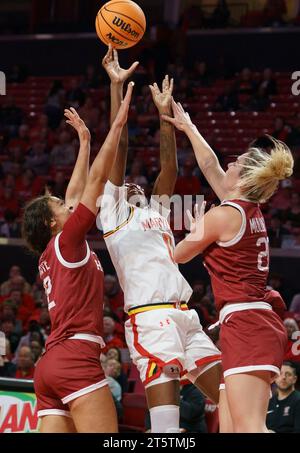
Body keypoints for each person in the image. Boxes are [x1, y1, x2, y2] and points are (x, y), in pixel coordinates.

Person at [100, 45, 221, 433]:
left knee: (229, 391)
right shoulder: (114, 212)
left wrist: (165, 114)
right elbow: (119, 149)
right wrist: (118, 89)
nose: (133, 181)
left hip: (186, 316)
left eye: (139, 180)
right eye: (127, 181)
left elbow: (169, 166)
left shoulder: (155, 211)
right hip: (150, 318)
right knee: (166, 429)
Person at [162, 101, 294, 433]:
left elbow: (176, 256)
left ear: (243, 177)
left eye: (235, 163)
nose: (228, 164)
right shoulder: (242, 207)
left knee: (250, 428)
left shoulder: (223, 215)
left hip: (250, 325)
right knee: (231, 429)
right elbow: (210, 167)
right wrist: (188, 127)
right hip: (245, 324)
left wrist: (192, 232)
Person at [21, 81, 134, 433]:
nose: (66, 204)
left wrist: (84, 143)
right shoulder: (68, 241)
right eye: (58, 205)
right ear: (51, 221)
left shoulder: (51, 251)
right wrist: (117, 123)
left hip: (49, 367)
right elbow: (95, 181)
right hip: (75, 358)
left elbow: (73, 193)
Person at [267, 362, 300, 433]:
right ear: (275, 377)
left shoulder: (298, 400)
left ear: (295, 379)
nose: (284, 377)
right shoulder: (269, 401)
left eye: (288, 374)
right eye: (280, 374)